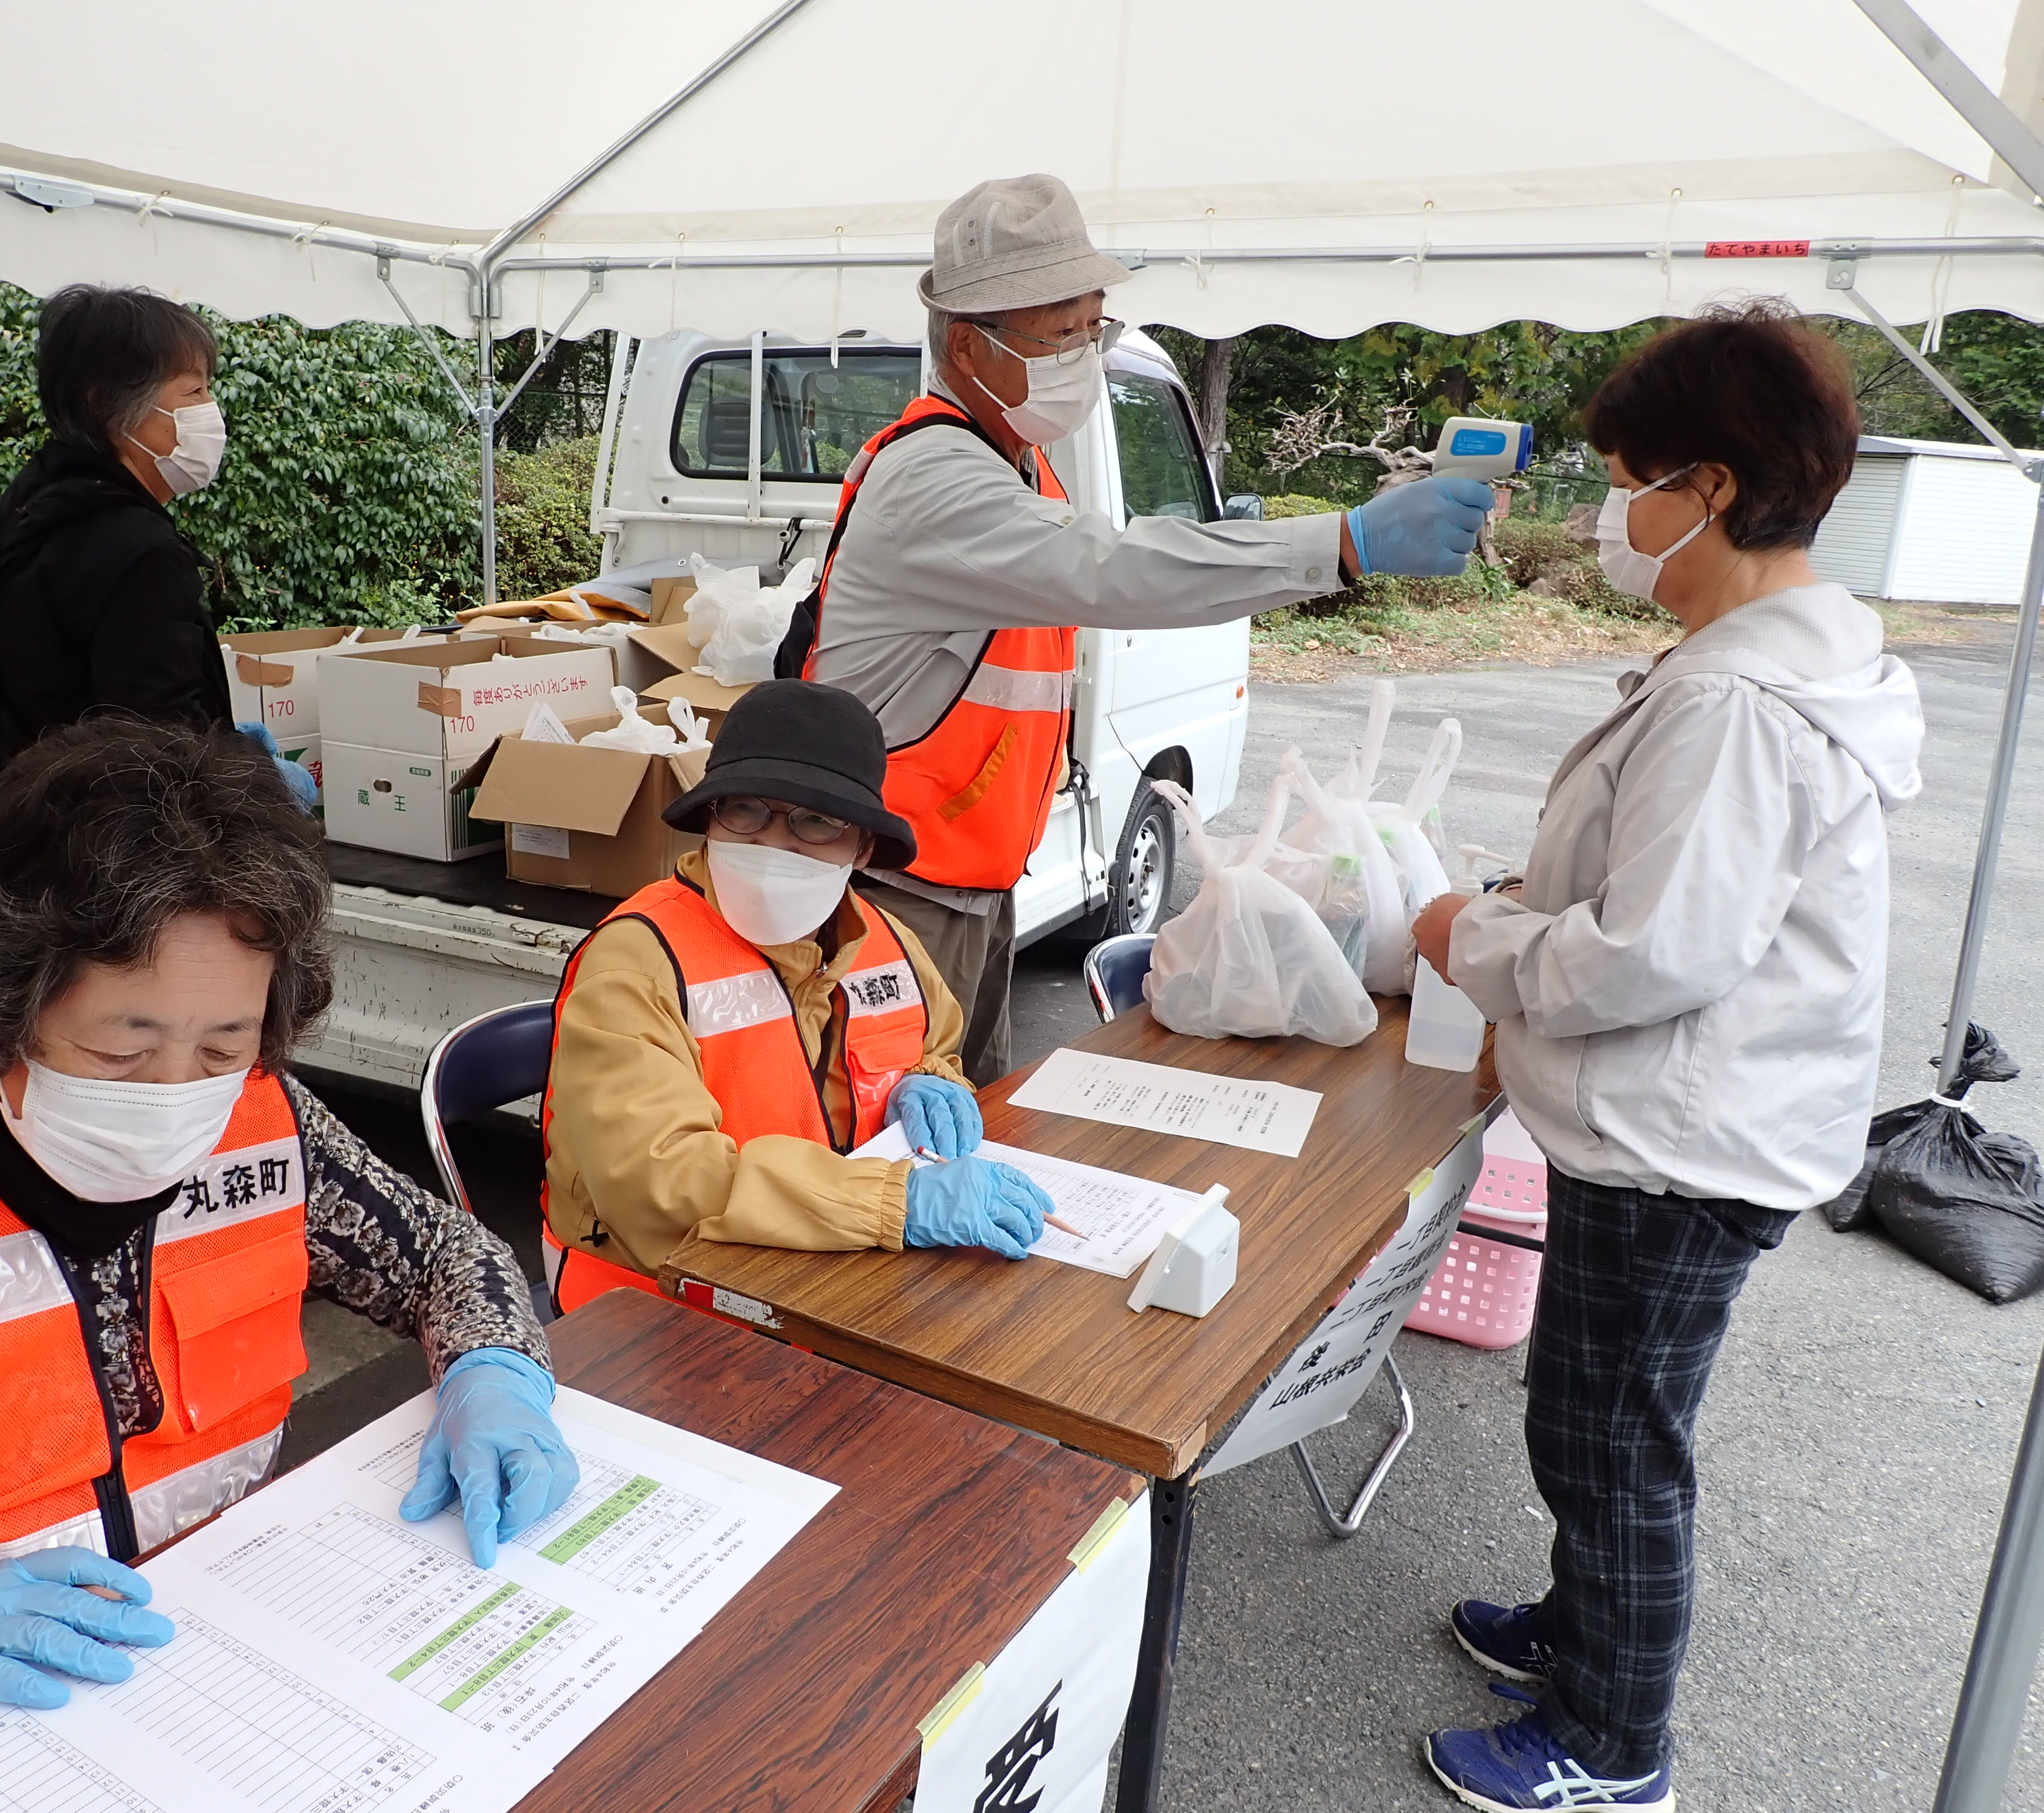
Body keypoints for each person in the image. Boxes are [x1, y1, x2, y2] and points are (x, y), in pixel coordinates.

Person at [0, 721, 571, 1812]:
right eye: (123, 1053)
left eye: (223, 1044)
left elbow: (444, 1254)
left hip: (209, 1692)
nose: (181, 1092)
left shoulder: (268, 1127)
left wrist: (496, 1371)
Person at [1409, 302, 1924, 1812]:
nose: (1606, 515)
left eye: (1625, 479)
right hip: (1691, 1121)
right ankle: (1581, 1638)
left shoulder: (1732, 700)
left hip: (1680, 1139)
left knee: (1612, 1439)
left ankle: (1610, 1744)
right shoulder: (1760, 665)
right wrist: (1524, 911)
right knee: (1604, 1418)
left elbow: (1654, 951)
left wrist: (1469, 938)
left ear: (1706, 487)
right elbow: (1666, 904)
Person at [784, 172, 1495, 1081]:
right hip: (895, 893)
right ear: (969, 346)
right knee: (884, 1158)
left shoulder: (1015, 462)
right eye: (1064, 332)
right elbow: (1116, 567)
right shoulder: (938, 481)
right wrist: (1343, 543)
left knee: (961, 1131)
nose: (1087, 352)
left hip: (966, 883)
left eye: (1095, 326)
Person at [541, 680, 1058, 1309]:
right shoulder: (635, 965)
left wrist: (932, 1078)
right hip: (659, 1305)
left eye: (817, 821)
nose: (773, 842)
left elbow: (935, 1042)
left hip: (834, 1275)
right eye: (746, 811)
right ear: (710, 816)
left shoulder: (886, 941)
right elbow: (659, 1182)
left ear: (862, 847)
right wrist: (896, 1203)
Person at [0, 285, 314, 804]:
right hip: (105, 850)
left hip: (24, 820)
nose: (212, 412)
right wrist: (251, 776)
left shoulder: (33, 504)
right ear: (108, 406)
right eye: (194, 394)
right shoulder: (136, 551)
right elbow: (163, 751)